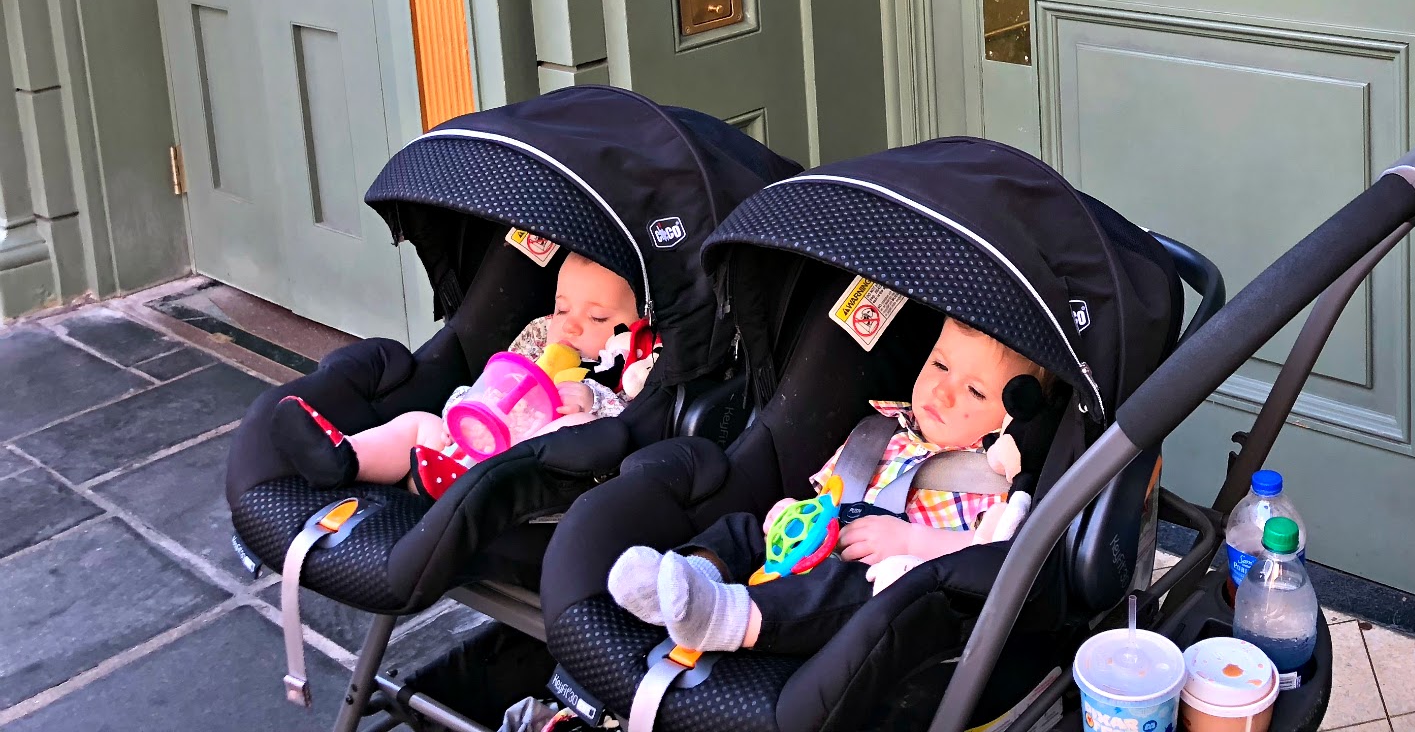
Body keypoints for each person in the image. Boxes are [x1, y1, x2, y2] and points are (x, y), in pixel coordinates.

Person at [608, 316, 1046, 656]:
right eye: (940, 365)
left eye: (974, 391)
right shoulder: (880, 433)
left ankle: (724, 617)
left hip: (887, 586)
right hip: (819, 544)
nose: (942, 391)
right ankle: (687, 580)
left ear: (1013, 416)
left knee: (843, 590)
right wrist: (792, 514)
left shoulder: (994, 481)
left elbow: (993, 555)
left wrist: (914, 539)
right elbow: (829, 496)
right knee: (743, 528)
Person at [271, 251, 655, 490]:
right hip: (469, 446)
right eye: (562, 309)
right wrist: (468, 411)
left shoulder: (630, 363)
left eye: (598, 317)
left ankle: (470, 485)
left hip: (529, 475)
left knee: (575, 431)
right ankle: (346, 457)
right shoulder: (540, 340)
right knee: (418, 422)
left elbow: (637, 421)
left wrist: (593, 399)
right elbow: (493, 381)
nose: (570, 326)